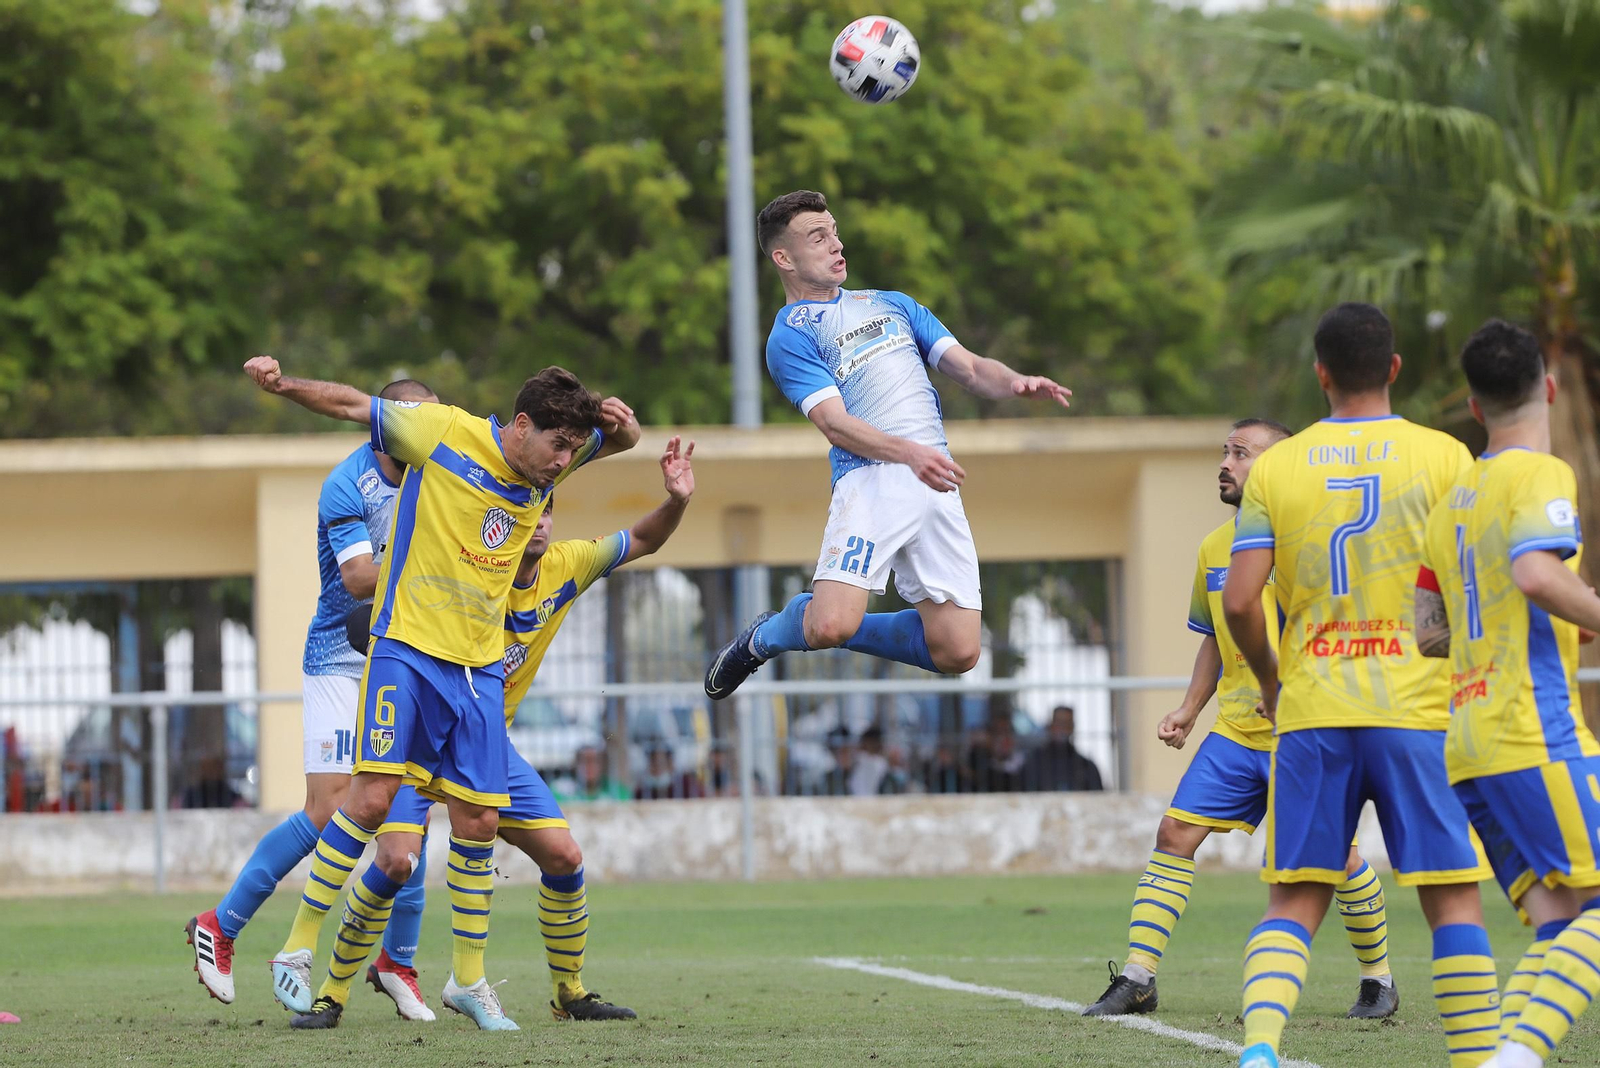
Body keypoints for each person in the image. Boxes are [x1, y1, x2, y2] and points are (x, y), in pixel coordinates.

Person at [242, 354, 638, 1031]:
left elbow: (622, 442)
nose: (563, 462)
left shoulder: (551, 456)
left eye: (572, 449)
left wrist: (620, 426)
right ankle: (301, 946)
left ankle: (471, 981)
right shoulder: (444, 433)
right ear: (520, 426)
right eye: (557, 446)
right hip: (406, 651)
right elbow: (348, 404)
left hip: (478, 671)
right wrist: (283, 386)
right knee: (368, 801)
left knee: (479, 821)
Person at [290, 436, 694, 1029]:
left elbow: (643, 539)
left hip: (485, 743)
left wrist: (677, 499)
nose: (537, 522)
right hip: (423, 734)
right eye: (527, 511)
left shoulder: (567, 567)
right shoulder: (473, 564)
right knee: (397, 862)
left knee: (564, 855)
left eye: (547, 510)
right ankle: (332, 992)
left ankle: (569, 992)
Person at [1221, 304, 1491, 1068]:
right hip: (1415, 708)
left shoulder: (1277, 466)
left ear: (1321, 373)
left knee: (1295, 902)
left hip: (1312, 709)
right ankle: (1476, 1058)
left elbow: (1241, 601)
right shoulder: (1446, 458)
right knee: (1451, 899)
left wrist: (1273, 679)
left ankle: (1261, 1051)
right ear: (1395, 368)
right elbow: (1465, 591)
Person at [704, 189, 1071, 700]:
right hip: (871, 480)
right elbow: (835, 425)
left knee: (958, 650)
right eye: (818, 237)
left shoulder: (891, 304)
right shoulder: (790, 335)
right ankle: (771, 634)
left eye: (834, 231)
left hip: (934, 478)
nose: (836, 243)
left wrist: (1013, 382)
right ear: (783, 258)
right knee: (829, 626)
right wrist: (909, 452)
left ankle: (811, 614)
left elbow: (969, 368)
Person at [1085, 420, 1396, 1021]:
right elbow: (1215, 637)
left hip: (1303, 730)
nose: (1225, 463)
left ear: (1280, 468)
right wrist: (1188, 708)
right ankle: (1139, 978)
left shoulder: (1313, 540)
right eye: (1225, 452)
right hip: (1234, 731)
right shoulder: (1212, 547)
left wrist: (1305, 691)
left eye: (1241, 453)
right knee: (1174, 834)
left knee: (1338, 855)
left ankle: (1377, 979)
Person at [185, 378, 437, 1010]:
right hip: (340, 658)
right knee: (329, 809)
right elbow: (357, 580)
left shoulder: (443, 474)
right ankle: (222, 925)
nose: (430, 434)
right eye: (417, 422)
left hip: (408, 656)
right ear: (388, 426)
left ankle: (396, 962)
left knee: (409, 813)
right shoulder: (346, 484)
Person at [1415, 320, 1600, 1068]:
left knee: (1562, 922)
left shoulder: (1451, 499)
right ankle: (1515, 1059)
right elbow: (1534, 575)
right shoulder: (1541, 473)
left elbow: (1430, 632)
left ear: (1472, 403)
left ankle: (1506, 1056)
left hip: (1468, 740)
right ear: (1548, 386)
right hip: (1534, 730)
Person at [1023, 706, 1104, 793]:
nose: (1063, 729)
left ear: (1072, 727)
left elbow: (1097, 796)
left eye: (1067, 724)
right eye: (1059, 723)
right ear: (1051, 726)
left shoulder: (1086, 766)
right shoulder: (1034, 761)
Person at [559, 745, 632, 803]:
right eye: (584, 761)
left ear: (602, 765)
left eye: (594, 761)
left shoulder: (617, 791)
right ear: (576, 765)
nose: (589, 766)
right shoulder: (562, 792)